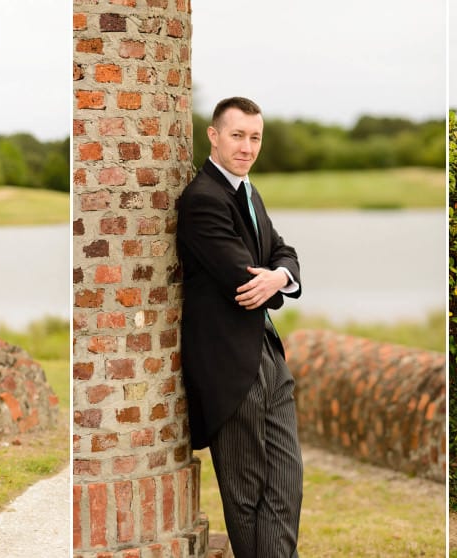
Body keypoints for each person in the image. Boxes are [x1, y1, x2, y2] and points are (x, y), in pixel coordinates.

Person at [176, 96, 303, 557]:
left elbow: (282, 252)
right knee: (247, 495)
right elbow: (241, 276)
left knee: (286, 486)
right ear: (213, 135)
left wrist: (280, 276)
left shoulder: (249, 192)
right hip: (229, 368)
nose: (247, 147)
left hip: (268, 354)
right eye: (237, 135)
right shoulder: (202, 199)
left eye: (255, 137)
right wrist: (270, 275)